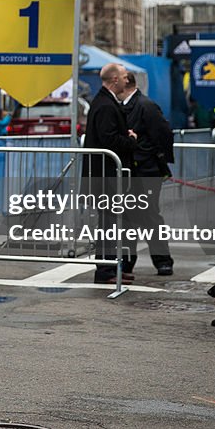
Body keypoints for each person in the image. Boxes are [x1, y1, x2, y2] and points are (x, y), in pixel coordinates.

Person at [83, 63, 138, 284]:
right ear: (115, 80)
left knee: (112, 224)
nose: (127, 80)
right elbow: (109, 140)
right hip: (105, 176)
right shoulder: (105, 105)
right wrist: (131, 140)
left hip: (107, 175)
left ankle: (112, 267)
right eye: (124, 77)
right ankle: (105, 271)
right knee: (107, 224)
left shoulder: (105, 101)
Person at [118, 72, 175, 276]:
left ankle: (162, 260)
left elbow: (164, 134)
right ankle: (127, 260)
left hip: (145, 171)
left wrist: (149, 157)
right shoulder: (128, 106)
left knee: (150, 216)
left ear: (126, 83)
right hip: (133, 171)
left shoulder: (145, 105)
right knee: (129, 217)